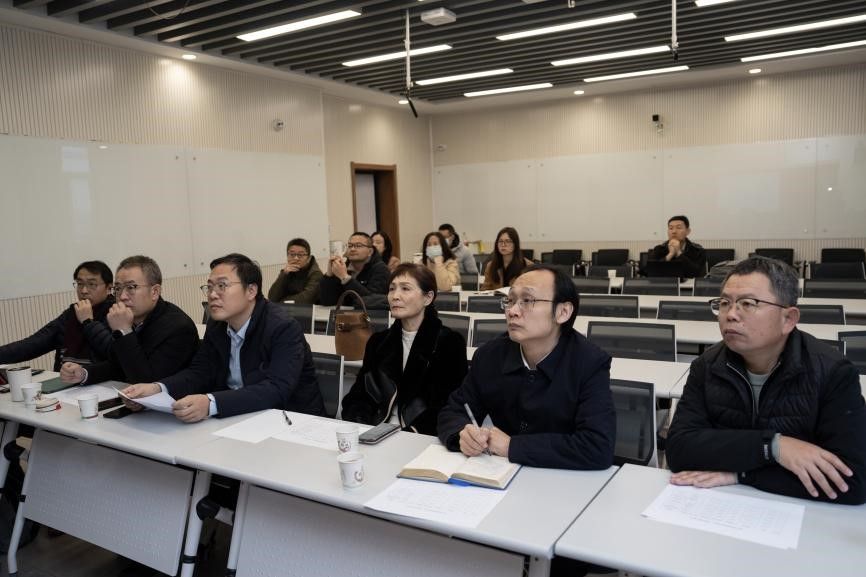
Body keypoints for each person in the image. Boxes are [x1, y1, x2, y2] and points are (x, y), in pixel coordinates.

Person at [667, 256, 866, 504]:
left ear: (788, 319)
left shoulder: (833, 373)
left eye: (748, 303)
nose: (731, 314)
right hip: (723, 503)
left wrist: (742, 474)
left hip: (801, 513)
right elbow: (679, 450)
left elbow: (852, 481)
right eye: (724, 303)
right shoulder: (706, 366)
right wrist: (773, 447)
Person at [438, 264, 616, 470]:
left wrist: (512, 447)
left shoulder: (589, 363)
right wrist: (462, 434)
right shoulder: (490, 356)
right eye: (510, 300)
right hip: (499, 473)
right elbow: (453, 411)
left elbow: (597, 447)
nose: (512, 311)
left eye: (527, 301)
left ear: (563, 312)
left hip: (562, 479)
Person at [121, 253, 325, 422]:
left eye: (222, 286)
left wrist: (211, 403)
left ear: (251, 290)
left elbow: (276, 389)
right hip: (239, 417)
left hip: (290, 420)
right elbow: (200, 372)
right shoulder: (217, 324)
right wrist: (158, 388)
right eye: (209, 287)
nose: (212, 294)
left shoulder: (282, 327)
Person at [341, 264, 468, 435]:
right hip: (378, 430)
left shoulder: (449, 343)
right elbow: (359, 395)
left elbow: (447, 406)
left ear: (428, 298)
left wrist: (410, 433)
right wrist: (362, 426)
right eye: (391, 289)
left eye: (405, 289)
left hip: (420, 435)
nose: (395, 296)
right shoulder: (378, 342)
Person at [59, 256, 199, 386]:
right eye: (118, 288)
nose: (122, 296)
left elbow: (147, 382)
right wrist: (84, 373)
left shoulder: (178, 327)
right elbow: (119, 364)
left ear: (155, 292)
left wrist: (125, 331)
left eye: (131, 287)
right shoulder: (127, 318)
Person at [0, 261, 115, 371]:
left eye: (92, 284)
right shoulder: (72, 312)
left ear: (109, 287)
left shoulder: (115, 313)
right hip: (66, 379)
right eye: (80, 284)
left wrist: (88, 322)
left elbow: (113, 352)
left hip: (101, 381)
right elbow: (35, 343)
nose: (84, 290)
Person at [319, 232, 390, 309]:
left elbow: (373, 302)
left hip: (371, 315)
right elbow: (327, 302)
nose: (352, 249)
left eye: (358, 246)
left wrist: (345, 278)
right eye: (350, 246)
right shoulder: (344, 267)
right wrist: (329, 276)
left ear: (370, 251)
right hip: (344, 314)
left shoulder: (381, 269)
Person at [266, 238, 322, 304]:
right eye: (292, 254)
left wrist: (282, 301)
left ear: (308, 258)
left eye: (300, 255)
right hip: (288, 308)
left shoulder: (316, 273)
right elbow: (272, 297)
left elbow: (306, 299)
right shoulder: (287, 271)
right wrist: (284, 274)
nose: (296, 258)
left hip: (308, 309)